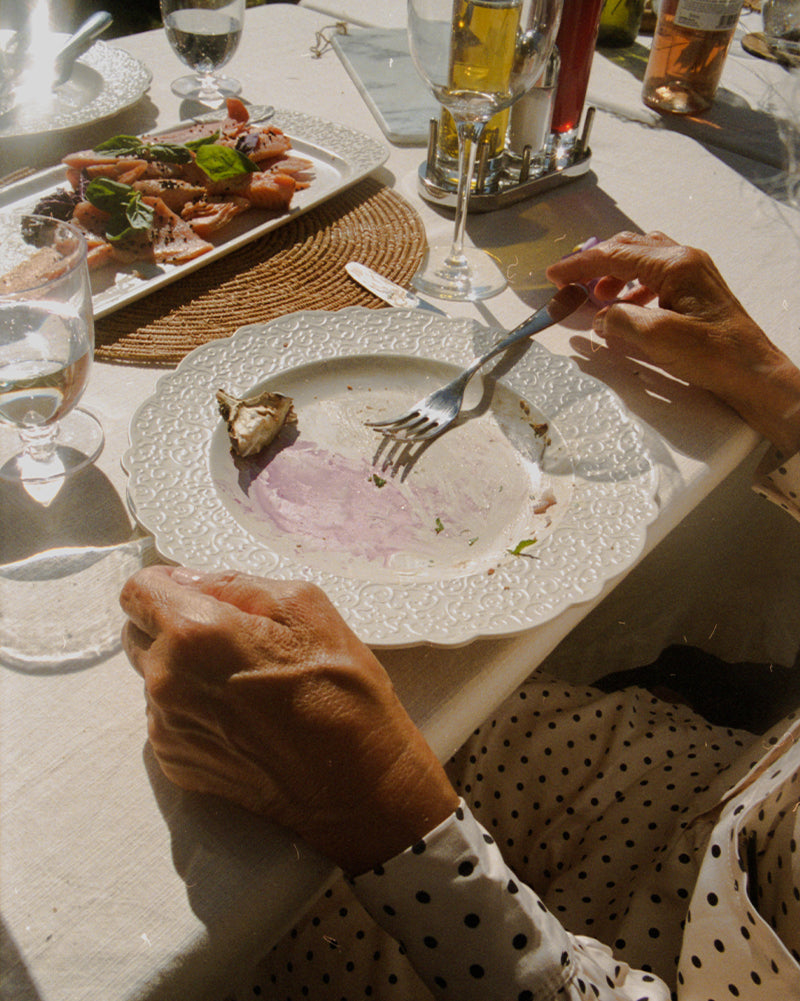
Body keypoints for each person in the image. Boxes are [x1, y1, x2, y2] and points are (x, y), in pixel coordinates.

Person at [120, 231, 800, 1000]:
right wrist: (782, 391)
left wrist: (371, 793)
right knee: (442, 712)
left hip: (650, 963)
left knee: (233, 915)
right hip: (714, 795)